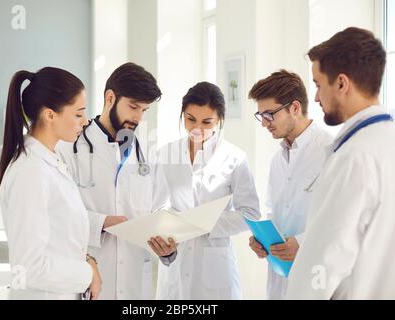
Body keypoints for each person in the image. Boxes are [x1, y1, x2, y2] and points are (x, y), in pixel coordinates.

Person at [286, 27, 395, 299]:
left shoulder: (354, 157)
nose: (316, 97)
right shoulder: (385, 142)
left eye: (318, 84)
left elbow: (324, 260)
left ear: (342, 84)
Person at [56, 63, 174, 300]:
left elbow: (159, 208)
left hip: (135, 282)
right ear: (110, 97)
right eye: (133, 107)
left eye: (144, 110)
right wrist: (101, 222)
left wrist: (167, 246)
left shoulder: (148, 155)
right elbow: (58, 213)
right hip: (90, 274)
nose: (138, 117)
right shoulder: (68, 149)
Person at [0, 67, 102, 300]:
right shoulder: (30, 172)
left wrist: (87, 260)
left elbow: (57, 237)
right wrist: (88, 274)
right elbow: (29, 268)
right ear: (50, 114)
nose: (85, 121)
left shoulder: (49, 160)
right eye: (78, 114)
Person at [154, 82, 260, 300]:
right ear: (183, 114)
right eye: (190, 119)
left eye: (206, 122)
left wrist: (202, 223)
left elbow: (250, 213)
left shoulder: (234, 158)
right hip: (175, 261)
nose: (196, 129)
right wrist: (166, 232)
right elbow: (155, 207)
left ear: (219, 120)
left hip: (215, 267)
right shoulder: (166, 153)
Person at [248, 70, 333, 299]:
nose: (264, 123)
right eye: (260, 115)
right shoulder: (278, 160)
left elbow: (344, 220)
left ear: (294, 108)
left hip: (316, 280)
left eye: (269, 114)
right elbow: (273, 212)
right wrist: (262, 241)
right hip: (279, 280)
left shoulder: (331, 152)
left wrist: (303, 244)